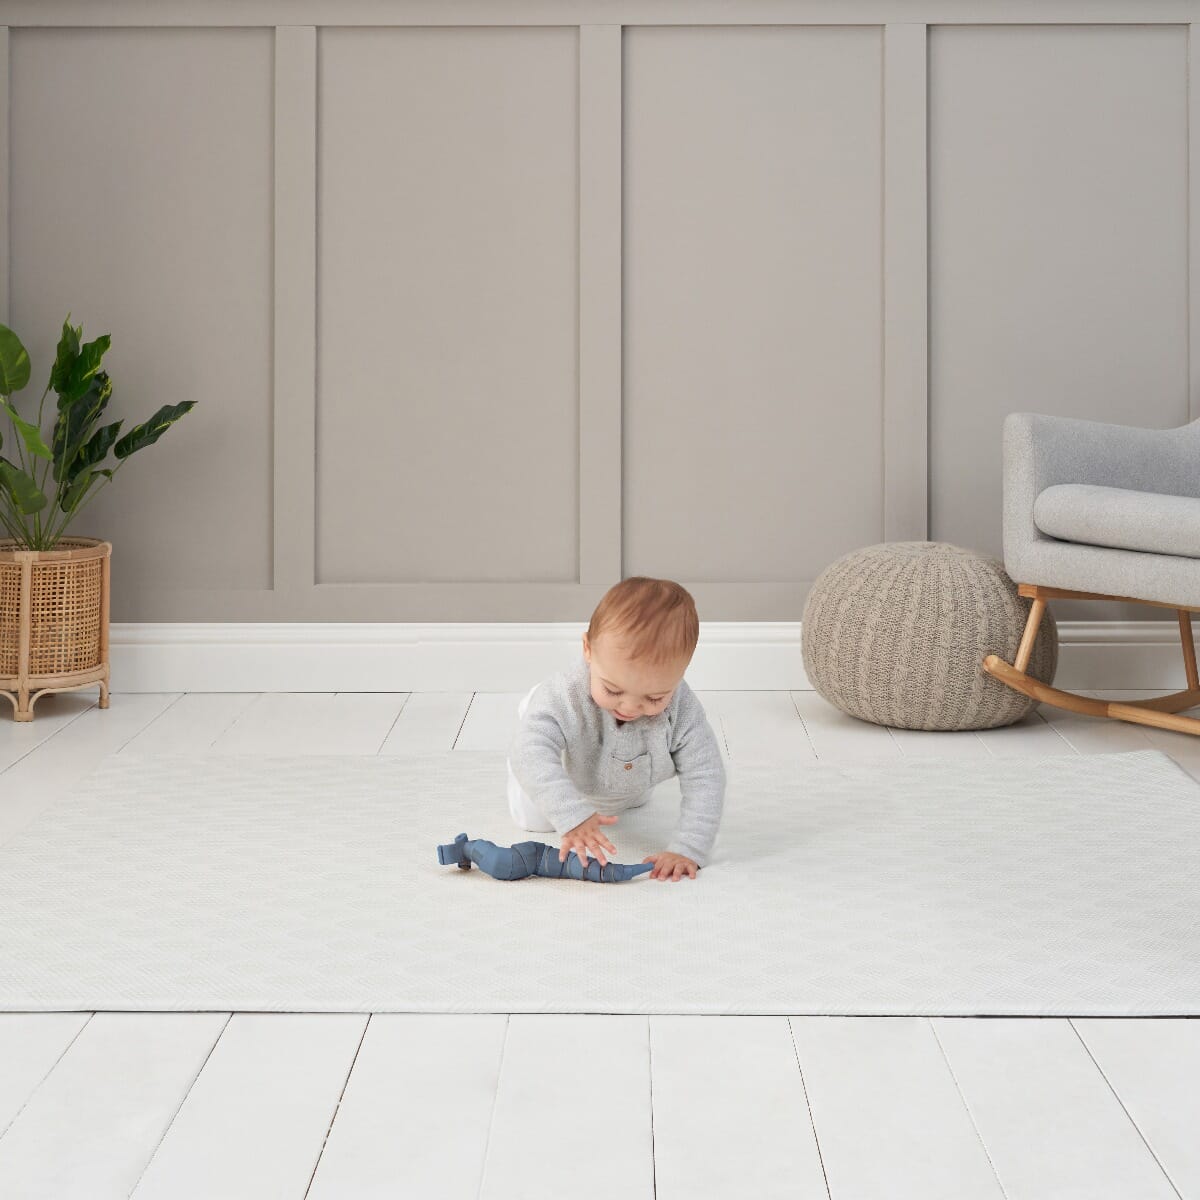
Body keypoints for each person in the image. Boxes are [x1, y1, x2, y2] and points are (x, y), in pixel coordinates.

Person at [506, 577, 726, 882]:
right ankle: (532, 708)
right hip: (571, 762)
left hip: (629, 767)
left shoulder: (682, 707)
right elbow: (528, 753)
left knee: (633, 801)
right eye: (612, 689)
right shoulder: (567, 693)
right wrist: (571, 816)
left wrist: (689, 848)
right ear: (588, 650)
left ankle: (620, 784)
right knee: (535, 820)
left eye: (654, 697)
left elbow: (706, 774)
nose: (631, 707)